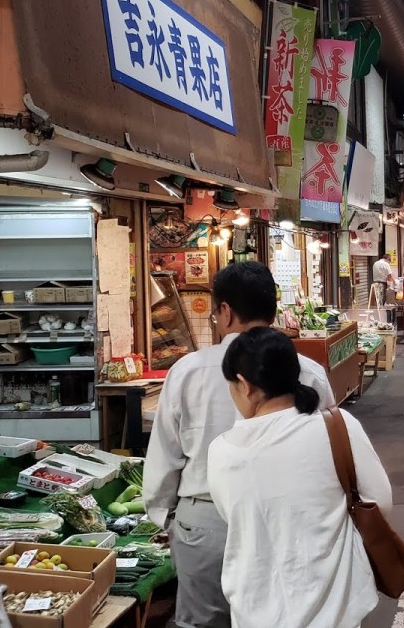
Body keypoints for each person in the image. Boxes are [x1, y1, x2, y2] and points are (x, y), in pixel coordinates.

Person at [144, 262, 337, 628]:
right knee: (284, 618)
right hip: (288, 519)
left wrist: (170, 520)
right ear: (273, 311)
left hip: (207, 522)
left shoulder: (187, 371)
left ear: (225, 311)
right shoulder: (308, 372)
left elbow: (163, 459)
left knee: (204, 623)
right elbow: (327, 449)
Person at [208, 327, 391, 628]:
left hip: (255, 607)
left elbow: (233, 516)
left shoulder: (221, 452)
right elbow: (379, 502)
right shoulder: (338, 427)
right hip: (338, 607)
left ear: (245, 385)